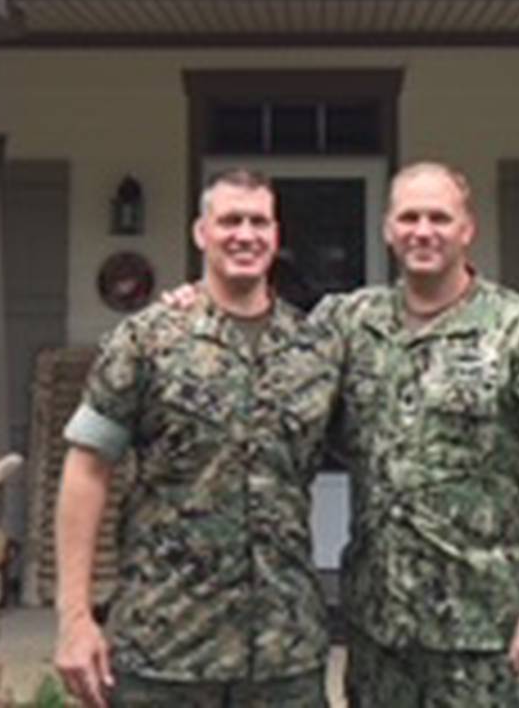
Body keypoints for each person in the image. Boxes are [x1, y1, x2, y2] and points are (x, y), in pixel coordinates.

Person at [312, 161, 519, 707]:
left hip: (489, 634)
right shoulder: (350, 325)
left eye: (439, 217)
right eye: (409, 217)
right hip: (381, 636)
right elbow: (271, 356)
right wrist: (195, 303)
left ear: (467, 229)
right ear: (387, 228)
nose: (423, 230)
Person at [53, 169, 337, 708]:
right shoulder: (147, 340)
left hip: (285, 653)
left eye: (259, 222)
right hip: (166, 648)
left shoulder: (316, 350)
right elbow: (86, 470)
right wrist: (75, 618)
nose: (245, 235)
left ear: (277, 237)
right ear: (200, 232)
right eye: (230, 220)